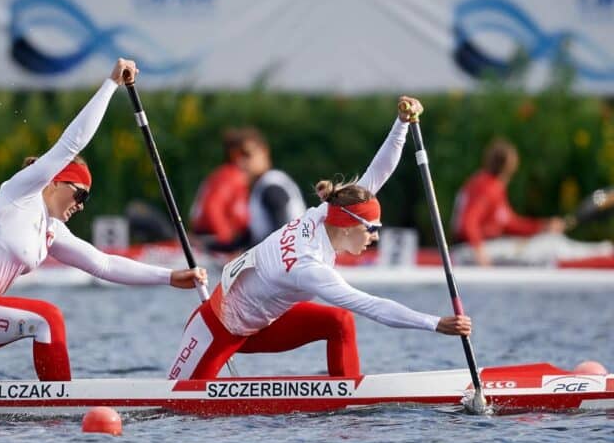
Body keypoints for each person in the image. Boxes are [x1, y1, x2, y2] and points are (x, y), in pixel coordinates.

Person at [0, 59, 207, 383]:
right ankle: (61, 414)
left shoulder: (50, 230)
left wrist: (170, 277)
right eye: (81, 194)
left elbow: (103, 264)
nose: (81, 205)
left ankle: (56, 403)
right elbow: (72, 142)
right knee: (47, 319)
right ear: (55, 180)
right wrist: (111, 84)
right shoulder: (22, 191)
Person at [168, 97, 471, 380]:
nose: (374, 238)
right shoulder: (309, 266)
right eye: (371, 229)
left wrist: (402, 123)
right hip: (216, 328)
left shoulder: (328, 211)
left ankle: (347, 400)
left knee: (338, 322)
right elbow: (372, 306)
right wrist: (435, 323)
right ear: (348, 225)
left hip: (265, 323)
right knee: (176, 408)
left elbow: (378, 172)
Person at [451, 138, 613, 266]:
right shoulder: (488, 187)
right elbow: (468, 223)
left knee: (551, 240)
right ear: (509, 164)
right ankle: (604, 252)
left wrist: (543, 226)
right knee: (552, 246)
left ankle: (604, 250)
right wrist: (480, 254)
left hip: (480, 247)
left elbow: (510, 224)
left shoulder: (483, 182)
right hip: (471, 251)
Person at [240, 128, 307, 246]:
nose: (242, 162)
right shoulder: (263, 185)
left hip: (291, 255)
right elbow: (250, 237)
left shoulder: (271, 186)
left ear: (264, 151)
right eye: (239, 156)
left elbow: (281, 233)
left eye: (247, 154)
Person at [189, 128, 251, 252]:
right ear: (235, 154)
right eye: (246, 154)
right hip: (211, 239)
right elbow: (212, 207)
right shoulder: (232, 176)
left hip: (204, 235)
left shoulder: (220, 174)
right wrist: (227, 240)